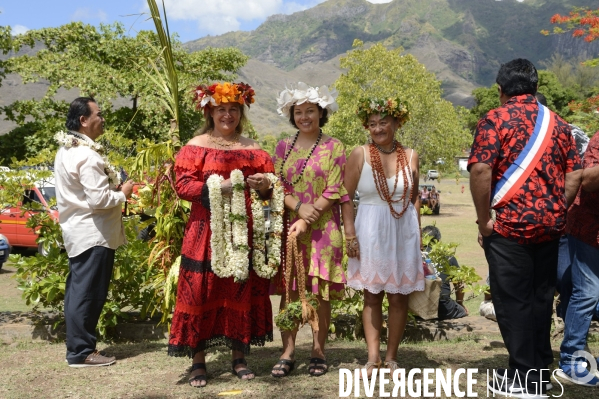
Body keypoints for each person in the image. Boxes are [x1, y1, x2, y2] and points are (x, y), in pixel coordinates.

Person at [468, 59, 582, 398]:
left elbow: (480, 171)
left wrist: (483, 218)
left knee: (512, 301)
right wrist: (556, 208)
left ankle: (523, 380)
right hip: (550, 227)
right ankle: (540, 371)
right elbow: (574, 174)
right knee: (539, 299)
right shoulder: (560, 125)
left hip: (509, 227)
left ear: (501, 90)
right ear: (534, 86)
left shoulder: (494, 118)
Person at [167, 82, 275, 388]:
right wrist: (218, 188)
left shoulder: (254, 149)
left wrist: (264, 185)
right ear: (210, 112)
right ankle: (198, 362)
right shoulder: (195, 146)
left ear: (241, 113)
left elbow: (270, 190)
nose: (227, 116)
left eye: (233, 110)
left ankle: (239, 358)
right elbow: (183, 186)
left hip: (243, 232)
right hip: (205, 233)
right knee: (201, 292)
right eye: (221, 110)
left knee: (239, 286)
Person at [342, 96, 424, 376]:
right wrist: (350, 234)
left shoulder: (411, 155)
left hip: (403, 231)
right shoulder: (359, 154)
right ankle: (372, 357)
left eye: (384, 122)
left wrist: (419, 234)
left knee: (399, 297)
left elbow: (414, 199)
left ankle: (391, 357)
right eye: (373, 124)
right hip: (370, 230)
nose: (377, 128)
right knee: (372, 295)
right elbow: (345, 196)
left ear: (397, 123)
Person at [270, 82, 347, 378]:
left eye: (310, 111)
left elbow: (334, 188)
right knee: (288, 289)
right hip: (289, 226)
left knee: (319, 292)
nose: (305, 117)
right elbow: (278, 185)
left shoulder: (334, 146)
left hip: (323, 229)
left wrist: (307, 216)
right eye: (299, 112)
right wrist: (296, 209)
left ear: (321, 112)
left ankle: (318, 350)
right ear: (292, 116)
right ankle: (287, 351)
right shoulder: (282, 147)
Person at [54, 97, 135, 367]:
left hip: (82, 231)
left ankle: (80, 349)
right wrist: (122, 193)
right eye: (98, 114)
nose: (103, 119)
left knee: (79, 291)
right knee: (87, 293)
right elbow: (99, 201)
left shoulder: (67, 149)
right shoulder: (86, 155)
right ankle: (80, 352)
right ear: (84, 121)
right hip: (92, 233)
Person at [557, 132, 599, 386]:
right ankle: (571, 362)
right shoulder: (597, 140)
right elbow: (589, 180)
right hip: (589, 228)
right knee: (587, 293)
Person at [421, 225, 468, 320]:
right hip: (444, 308)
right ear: (438, 241)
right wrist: (460, 303)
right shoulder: (449, 257)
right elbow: (459, 285)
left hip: (418, 308)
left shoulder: (415, 256)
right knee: (463, 311)